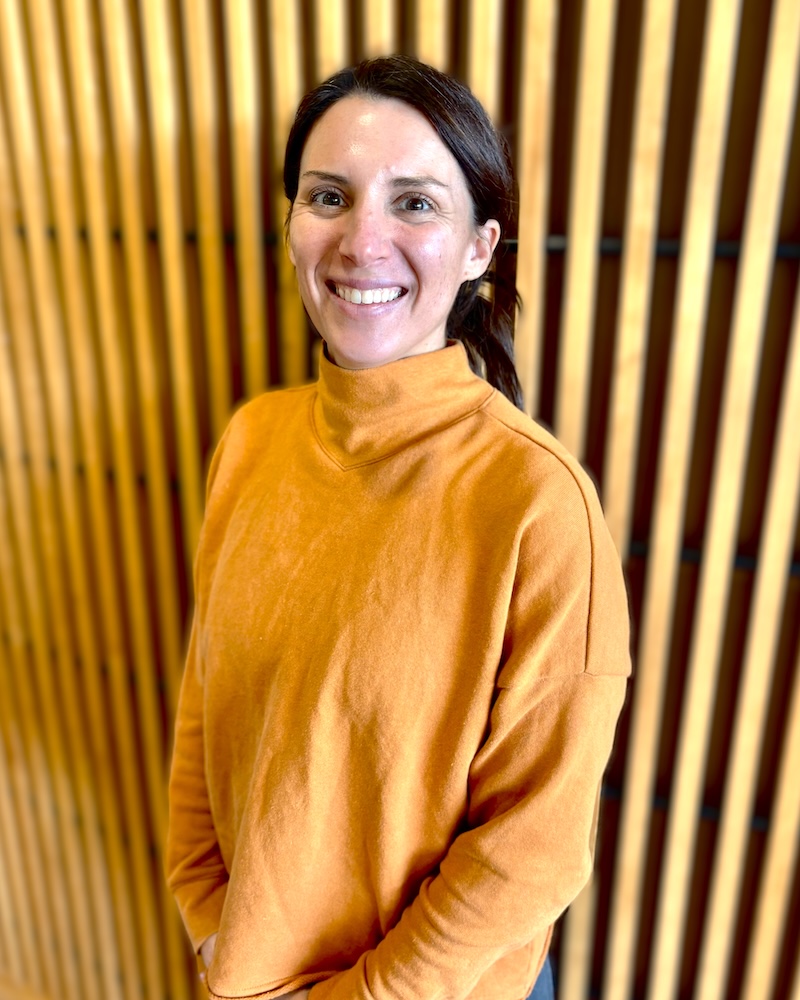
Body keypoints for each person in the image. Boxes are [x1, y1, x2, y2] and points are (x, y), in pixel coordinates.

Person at [166, 55, 631, 1000]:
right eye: (328, 196)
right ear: (292, 221)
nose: (361, 242)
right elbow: (204, 709)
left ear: (479, 246)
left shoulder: (539, 506)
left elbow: (531, 850)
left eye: (415, 203)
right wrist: (211, 917)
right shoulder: (251, 440)